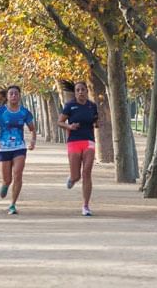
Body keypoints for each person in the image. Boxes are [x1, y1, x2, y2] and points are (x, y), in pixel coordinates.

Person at [0, 84, 36, 215]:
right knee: (7, 179)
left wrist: (32, 141)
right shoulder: (1, 112)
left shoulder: (24, 112)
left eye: (16, 93)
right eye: (11, 94)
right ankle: (5, 184)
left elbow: (32, 129)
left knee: (18, 175)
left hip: (19, 147)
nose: (14, 96)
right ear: (7, 97)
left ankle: (13, 204)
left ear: (20, 96)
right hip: (3, 148)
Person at [58, 80, 99, 216]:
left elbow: (95, 121)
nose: (80, 92)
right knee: (77, 176)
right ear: (75, 93)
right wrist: (69, 126)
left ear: (87, 91)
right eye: (78, 90)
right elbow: (60, 122)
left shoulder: (92, 106)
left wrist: (98, 123)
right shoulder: (70, 106)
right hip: (74, 141)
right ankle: (72, 178)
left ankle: (86, 206)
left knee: (87, 172)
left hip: (88, 141)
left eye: (83, 89)